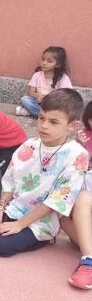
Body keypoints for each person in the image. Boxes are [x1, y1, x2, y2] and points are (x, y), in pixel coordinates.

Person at [0, 89, 88, 258]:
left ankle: (45, 239)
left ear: (72, 126)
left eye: (53, 122)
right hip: (14, 209)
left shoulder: (77, 155)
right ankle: (7, 224)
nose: (44, 125)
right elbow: (9, 180)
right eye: (41, 118)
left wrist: (20, 225)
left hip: (41, 221)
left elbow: (58, 200)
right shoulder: (29, 145)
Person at [59, 101, 92, 290]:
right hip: (81, 215)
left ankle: (88, 260)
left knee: (84, 197)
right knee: (62, 217)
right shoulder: (83, 138)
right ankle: (89, 259)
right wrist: (78, 145)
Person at [16, 46, 73, 118]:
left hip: (53, 105)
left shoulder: (63, 78)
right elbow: (30, 92)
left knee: (64, 107)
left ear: (58, 65)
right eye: (43, 60)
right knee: (25, 99)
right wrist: (37, 96)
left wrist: (49, 99)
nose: (44, 63)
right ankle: (45, 116)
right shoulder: (37, 75)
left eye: (49, 61)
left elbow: (67, 95)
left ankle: (36, 113)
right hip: (39, 104)